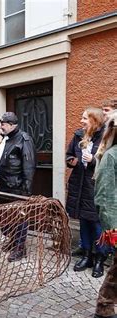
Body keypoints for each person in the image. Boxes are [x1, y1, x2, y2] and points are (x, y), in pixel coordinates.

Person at [0, 112, 36, 262]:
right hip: (5, 185)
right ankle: (13, 241)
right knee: (9, 217)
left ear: (11, 125)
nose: (1, 126)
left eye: (3, 124)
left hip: (18, 187)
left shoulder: (24, 139)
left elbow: (29, 165)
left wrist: (25, 190)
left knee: (20, 218)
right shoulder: (7, 140)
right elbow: (1, 161)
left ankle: (20, 248)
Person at [66, 107, 107, 277]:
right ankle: (87, 256)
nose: (81, 121)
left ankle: (100, 259)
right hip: (79, 185)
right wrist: (71, 161)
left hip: (96, 188)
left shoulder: (107, 137)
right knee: (83, 222)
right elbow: (69, 154)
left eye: (85, 118)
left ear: (94, 121)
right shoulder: (78, 135)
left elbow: (111, 163)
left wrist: (94, 160)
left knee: (97, 226)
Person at [93, 112, 117, 318]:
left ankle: (105, 305)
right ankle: (104, 307)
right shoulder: (111, 157)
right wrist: (112, 229)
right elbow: (104, 197)